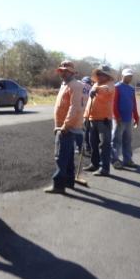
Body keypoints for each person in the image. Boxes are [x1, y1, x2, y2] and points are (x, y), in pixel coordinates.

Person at [44, 61, 85, 194]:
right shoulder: (65, 84)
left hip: (67, 127)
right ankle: (69, 181)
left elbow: (75, 107)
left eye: (66, 71)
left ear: (72, 72)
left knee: (60, 156)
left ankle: (59, 185)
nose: (63, 73)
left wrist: (65, 126)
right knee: (67, 156)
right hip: (63, 125)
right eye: (62, 70)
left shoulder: (75, 85)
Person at [83, 65, 117, 176]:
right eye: (98, 73)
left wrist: (96, 89)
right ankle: (94, 164)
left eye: (102, 74)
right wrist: (86, 116)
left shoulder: (109, 85)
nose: (100, 76)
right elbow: (89, 103)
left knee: (104, 145)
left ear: (107, 75)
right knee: (93, 144)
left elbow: (107, 89)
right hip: (92, 119)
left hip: (104, 120)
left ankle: (104, 168)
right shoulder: (96, 84)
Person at [112, 69, 140, 169]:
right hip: (119, 118)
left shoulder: (131, 89)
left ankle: (127, 160)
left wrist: (136, 117)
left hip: (129, 118)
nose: (129, 77)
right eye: (127, 76)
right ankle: (115, 160)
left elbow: (134, 104)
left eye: (130, 76)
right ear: (122, 76)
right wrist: (117, 116)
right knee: (116, 140)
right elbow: (114, 104)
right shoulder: (117, 87)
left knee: (127, 140)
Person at [79, 76, 93, 155]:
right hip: (88, 112)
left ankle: (81, 147)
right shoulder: (91, 87)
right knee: (88, 131)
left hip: (81, 111)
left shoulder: (80, 86)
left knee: (80, 130)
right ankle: (88, 147)